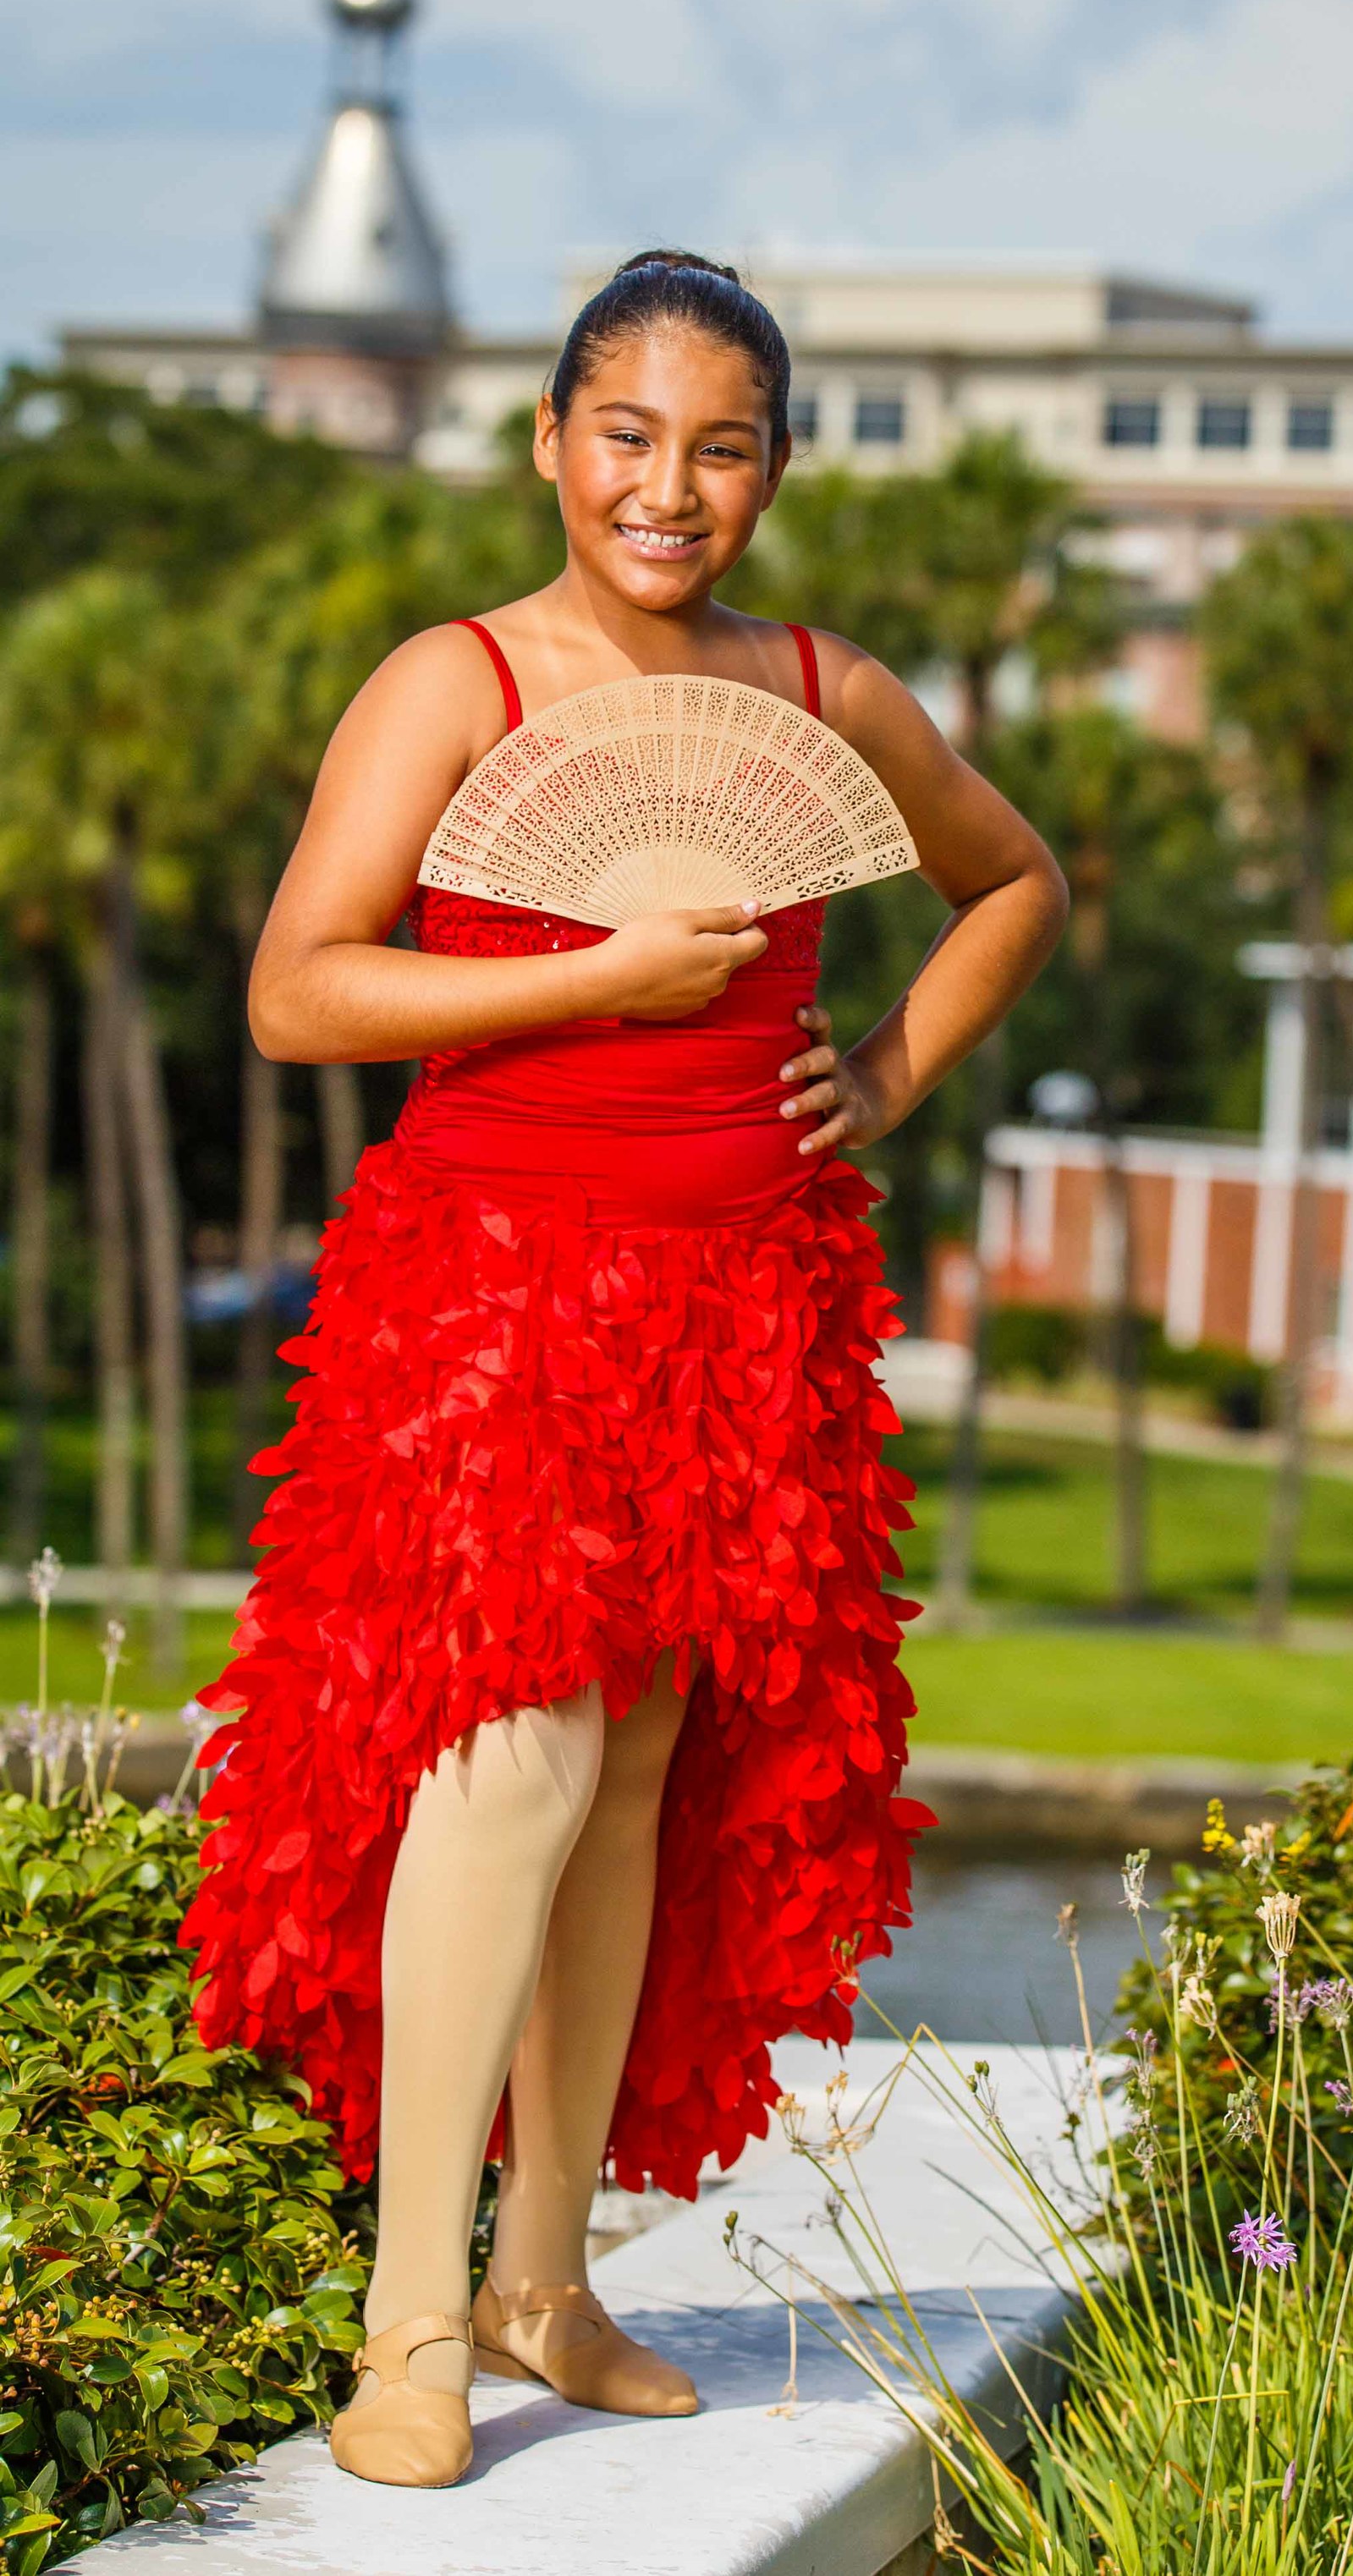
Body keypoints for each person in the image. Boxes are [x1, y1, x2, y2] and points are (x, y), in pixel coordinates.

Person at [184, 251, 1066, 2490]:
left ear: (774, 468)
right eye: (629, 435)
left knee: (639, 1777)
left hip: (751, 1300)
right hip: (494, 1294)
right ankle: (410, 2325)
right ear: (551, 445)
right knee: (514, 1758)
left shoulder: (823, 690)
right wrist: (591, 979)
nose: (670, 487)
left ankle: (546, 2282)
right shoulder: (456, 680)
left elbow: (1016, 885)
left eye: (723, 446)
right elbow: (299, 991)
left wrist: (884, 1069)